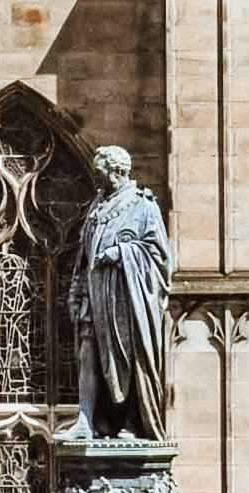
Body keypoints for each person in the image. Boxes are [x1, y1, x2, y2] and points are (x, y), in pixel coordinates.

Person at [66, 144, 172, 441]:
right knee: (88, 356)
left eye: (100, 171)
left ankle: (131, 423)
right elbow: (83, 258)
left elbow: (160, 257)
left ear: (117, 170)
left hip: (126, 299)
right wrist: (77, 291)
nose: (96, 177)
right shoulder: (97, 207)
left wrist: (122, 253)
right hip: (94, 296)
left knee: (128, 358)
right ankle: (85, 420)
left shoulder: (143, 206)